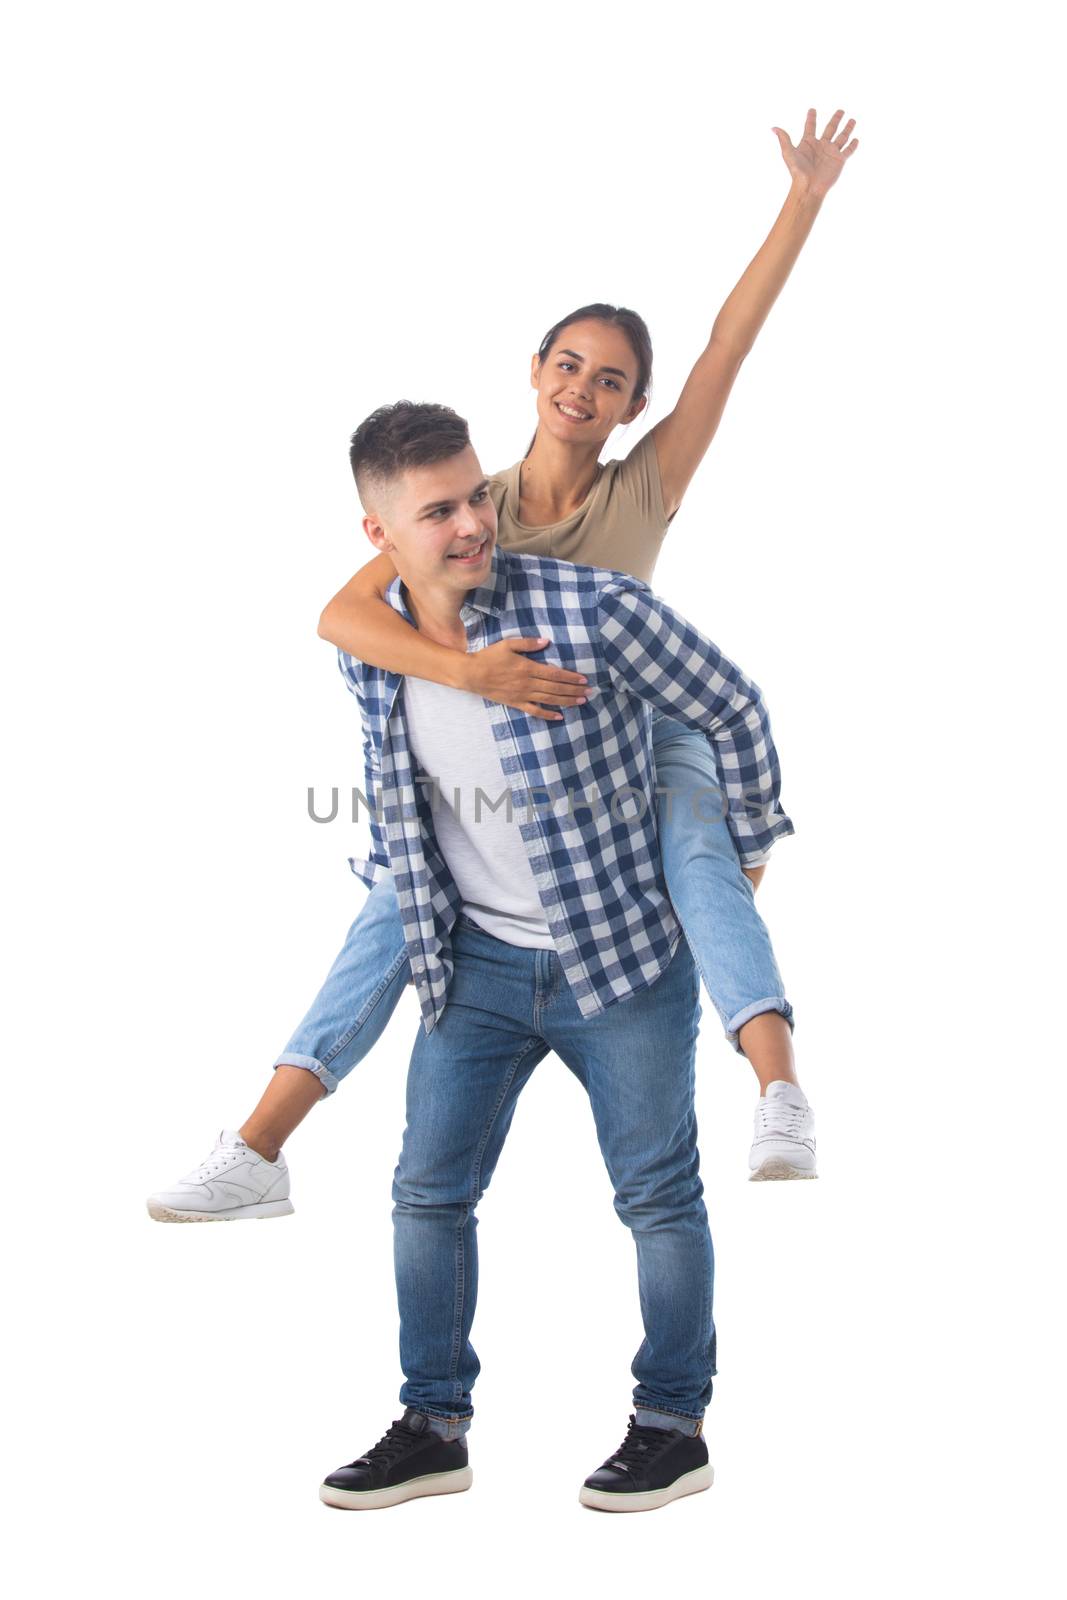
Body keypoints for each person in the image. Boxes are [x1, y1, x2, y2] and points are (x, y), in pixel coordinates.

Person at [146, 107, 857, 1222]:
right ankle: (259, 1148)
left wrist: (801, 203)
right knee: (394, 895)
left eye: (612, 379)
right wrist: (469, 675)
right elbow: (340, 612)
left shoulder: (644, 485)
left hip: (627, 716)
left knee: (693, 839)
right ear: (533, 372)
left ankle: (778, 1090)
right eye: (567, 364)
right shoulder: (472, 501)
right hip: (502, 736)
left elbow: (727, 344)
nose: (583, 387)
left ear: (629, 405)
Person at [315, 401, 789, 1511]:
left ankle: (672, 1424)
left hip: (616, 962)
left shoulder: (590, 608)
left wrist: (742, 856)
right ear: (378, 534)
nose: (475, 523)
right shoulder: (369, 643)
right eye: (439, 511)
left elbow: (733, 707)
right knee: (426, 1195)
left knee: (657, 1197)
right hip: (470, 969)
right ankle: (431, 1421)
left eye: (477, 494)